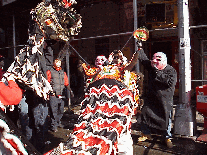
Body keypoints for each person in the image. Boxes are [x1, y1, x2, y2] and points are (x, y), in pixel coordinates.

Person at [135, 42, 177, 148]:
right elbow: (144, 60)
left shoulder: (171, 70)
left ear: (164, 61)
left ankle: (166, 137)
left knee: (166, 119)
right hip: (151, 98)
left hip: (165, 101)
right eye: (153, 58)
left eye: (158, 60)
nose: (154, 61)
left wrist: (157, 71)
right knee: (144, 114)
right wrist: (139, 48)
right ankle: (146, 133)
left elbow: (168, 82)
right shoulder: (152, 67)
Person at [47, 58, 74, 132]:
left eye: (59, 62)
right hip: (53, 95)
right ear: (54, 63)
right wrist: (48, 92)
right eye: (56, 62)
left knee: (61, 110)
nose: (58, 63)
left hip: (61, 94)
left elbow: (66, 83)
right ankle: (53, 125)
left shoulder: (63, 73)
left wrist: (70, 91)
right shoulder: (50, 72)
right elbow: (47, 83)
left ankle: (58, 122)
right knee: (53, 111)